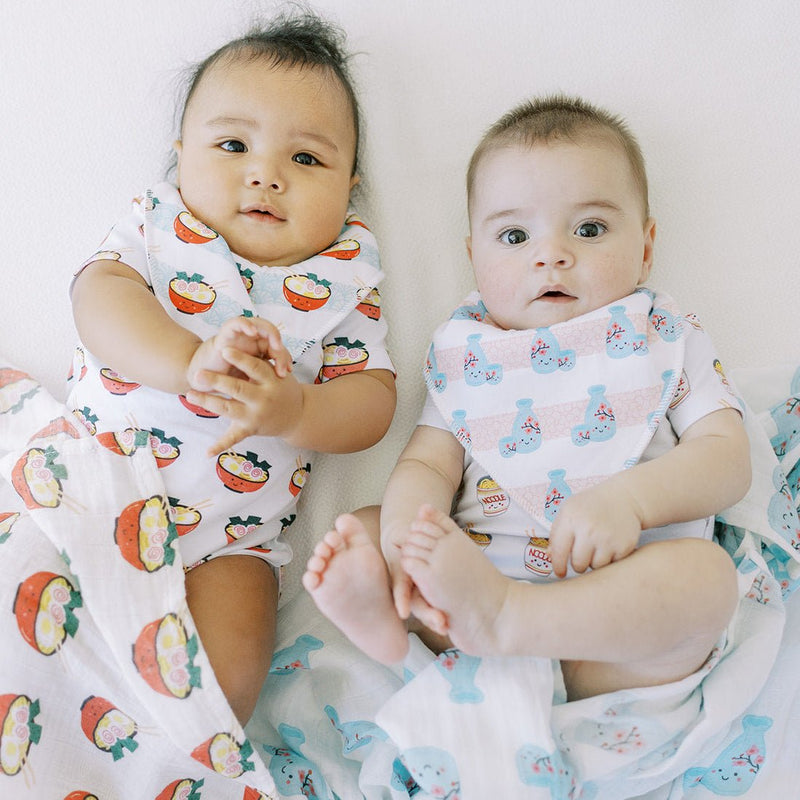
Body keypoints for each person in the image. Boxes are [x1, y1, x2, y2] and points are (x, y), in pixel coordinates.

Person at [303, 94, 751, 702]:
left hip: (615, 641)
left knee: (706, 581)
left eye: (589, 229)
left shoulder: (663, 337)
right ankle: (392, 621)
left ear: (646, 248)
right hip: (466, 602)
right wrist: (406, 536)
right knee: (367, 527)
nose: (551, 254)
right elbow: (428, 465)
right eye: (514, 235)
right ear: (474, 259)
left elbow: (727, 458)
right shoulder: (471, 354)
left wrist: (633, 501)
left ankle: (510, 617)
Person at [68, 9, 396, 724]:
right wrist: (188, 361)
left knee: (231, 676)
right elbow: (98, 298)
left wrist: (300, 411)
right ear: (180, 155)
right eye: (233, 144)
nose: (265, 175)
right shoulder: (161, 229)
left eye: (306, 159)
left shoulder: (342, 277)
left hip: (230, 542)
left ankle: (182, 759)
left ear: (350, 186)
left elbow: (373, 398)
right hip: (91, 491)